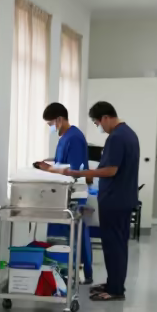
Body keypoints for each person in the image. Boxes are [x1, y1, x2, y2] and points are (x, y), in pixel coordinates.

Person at [58, 100, 139, 301]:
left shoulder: (117, 137)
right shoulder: (128, 133)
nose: (99, 127)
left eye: (97, 123)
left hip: (115, 200)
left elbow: (111, 170)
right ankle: (114, 283)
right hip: (121, 198)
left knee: (114, 245)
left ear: (105, 117)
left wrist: (82, 172)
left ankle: (115, 290)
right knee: (115, 244)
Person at [36, 102, 93, 284]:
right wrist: (51, 162)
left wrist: (49, 169)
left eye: (50, 124)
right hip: (62, 194)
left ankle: (83, 272)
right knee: (60, 237)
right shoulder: (65, 136)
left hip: (74, 194)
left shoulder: (74, 137)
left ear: (59, 119)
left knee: (76, 235)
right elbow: (64, 161)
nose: (51, 127)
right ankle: (62, 271)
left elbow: (74, 170)